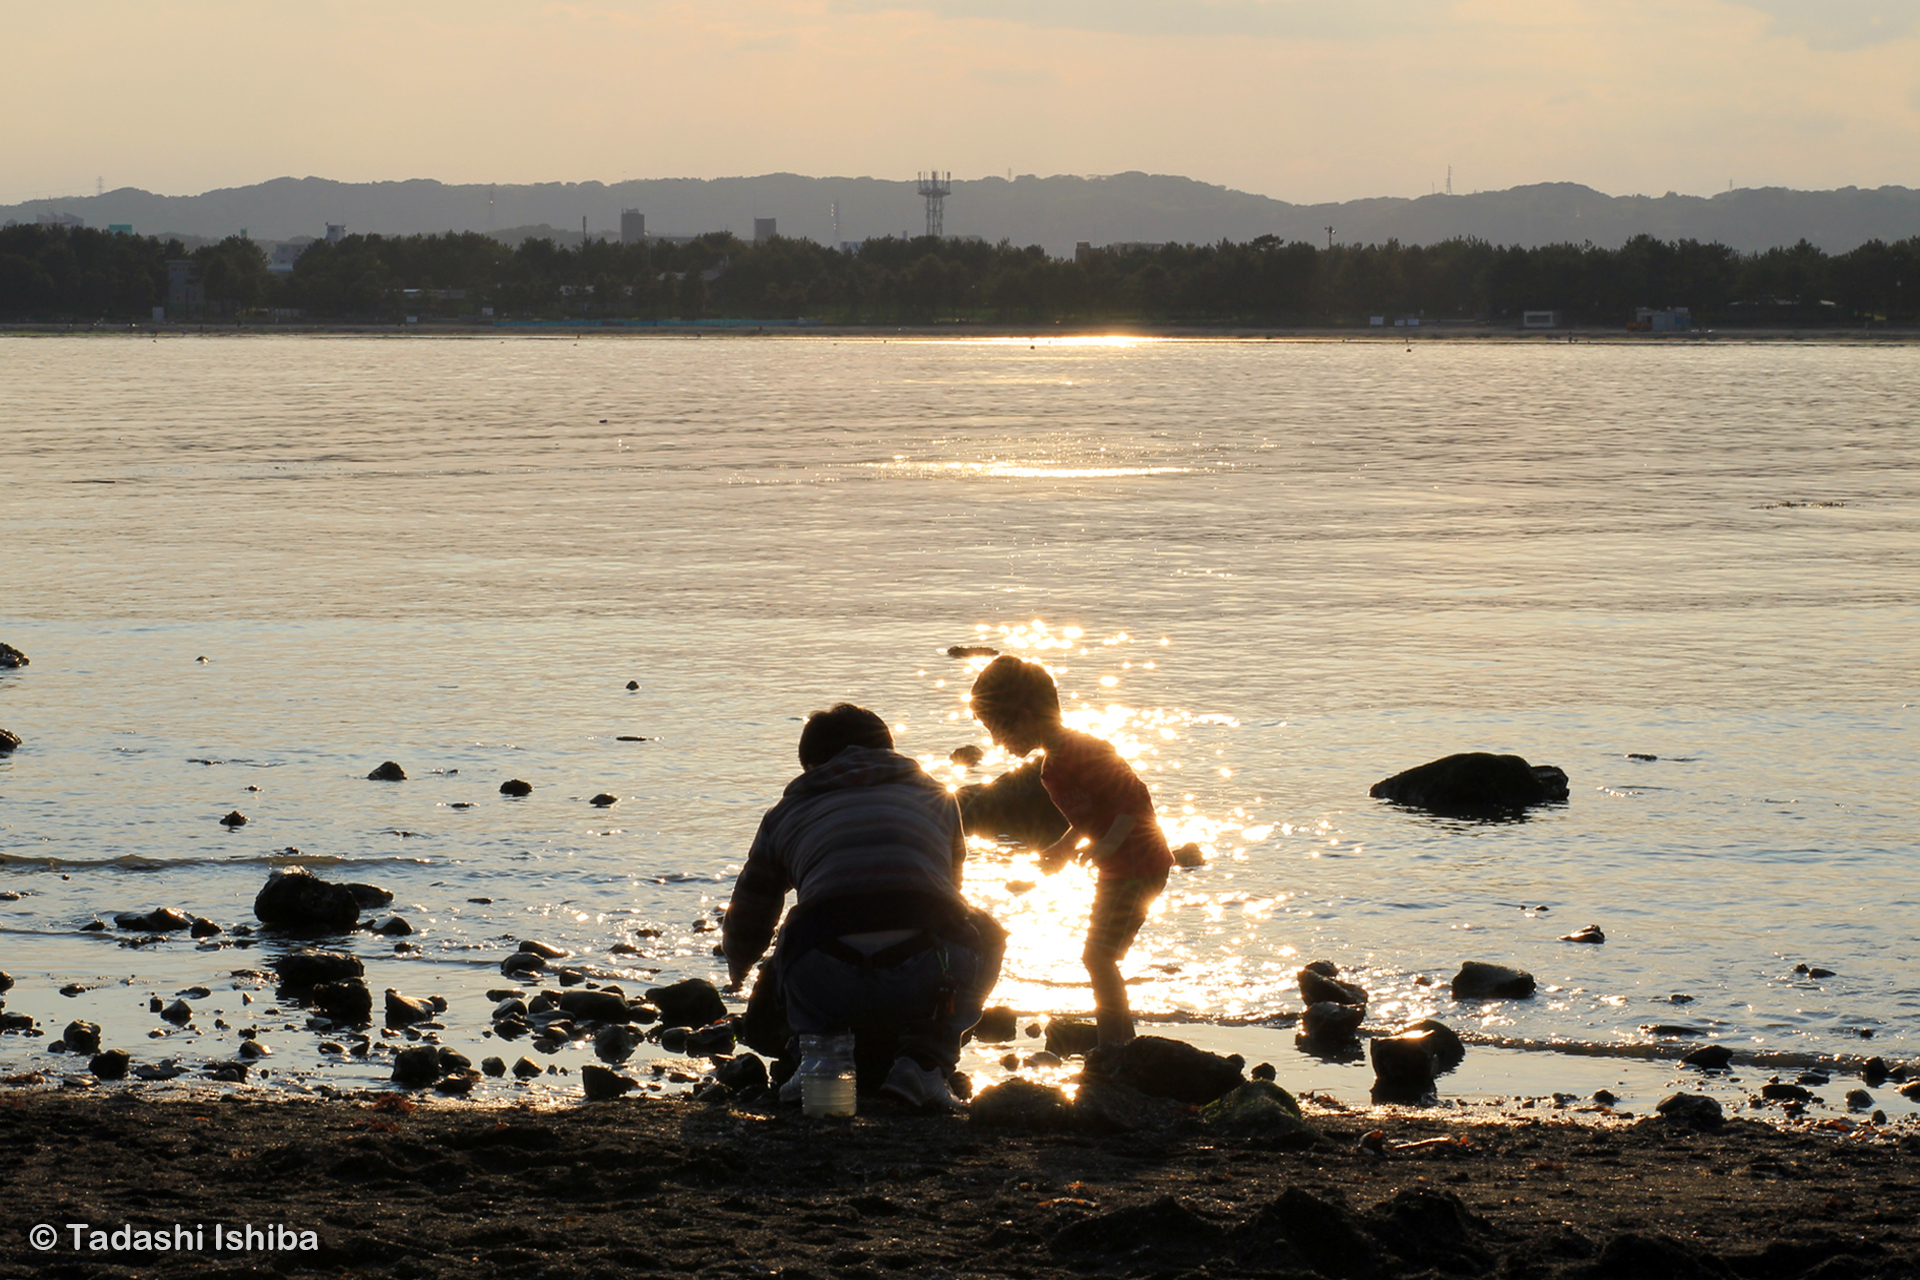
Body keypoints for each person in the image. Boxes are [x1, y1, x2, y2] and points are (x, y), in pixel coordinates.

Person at [721, 703, 1002, 1111]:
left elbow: (752, 911)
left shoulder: (786, 813)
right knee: (986, 932)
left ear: (811, 766)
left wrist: (739, 968)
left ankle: (819, 1060)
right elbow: (951, 896)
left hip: (824, 974)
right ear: (889, 750)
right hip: (922, 967)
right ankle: (924, 1065)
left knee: (796, 933)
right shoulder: (938, 798)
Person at [968, 655, 1171, 1046]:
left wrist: (1109, 843)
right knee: (1099, 956)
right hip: (1118, 867)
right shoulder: (1050, 768)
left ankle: (1115, 1048)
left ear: (1025, 717)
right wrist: (1063, 848)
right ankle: (1119, 1043)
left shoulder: (1084, 749)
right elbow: (1087, 816)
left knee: (1098, 956)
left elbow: (1132, 796)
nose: (996, 742)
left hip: (1140, 864)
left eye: (998, 729)